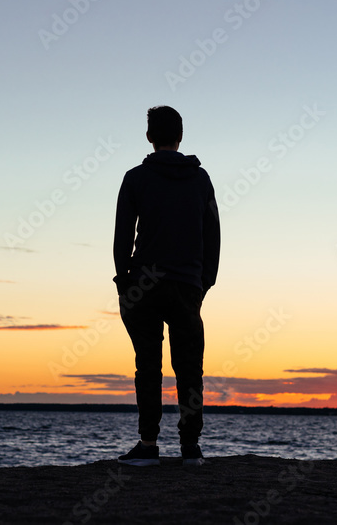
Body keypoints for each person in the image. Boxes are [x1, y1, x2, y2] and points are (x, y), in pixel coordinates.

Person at [113, 105, 221, 467]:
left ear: (149, 137)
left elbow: (122, 237)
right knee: (190, 367)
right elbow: (214, 236)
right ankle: (190, 447)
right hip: (187, 283)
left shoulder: (135, 178)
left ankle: (148, 445)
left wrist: (122, 281)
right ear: (180, 136)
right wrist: (204, 281)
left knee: (148, 365)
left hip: (145, 283)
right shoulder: (201, 179)